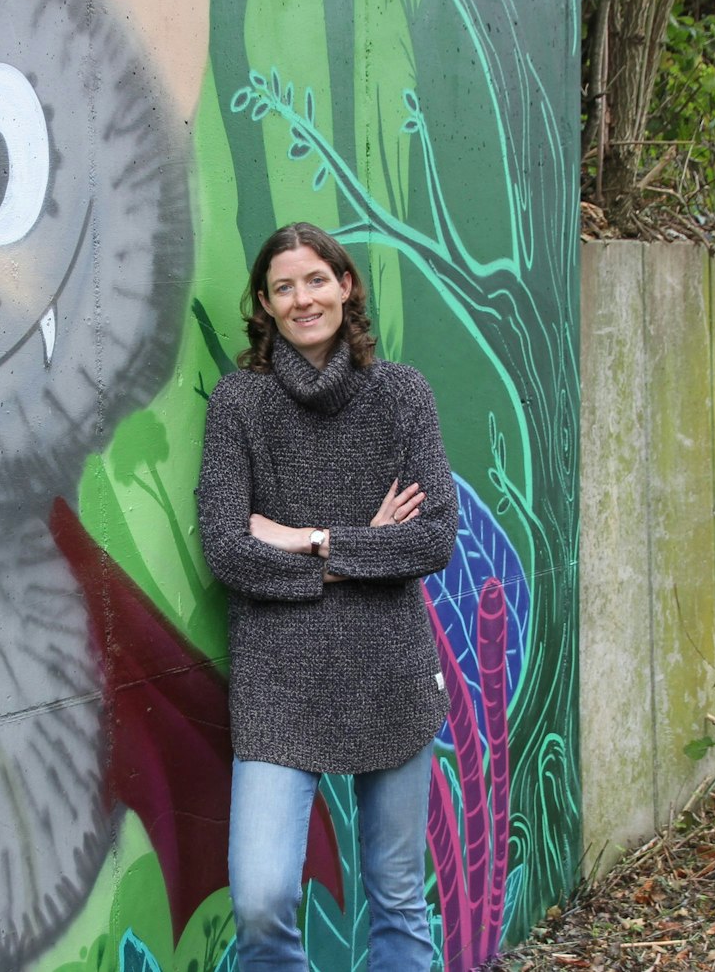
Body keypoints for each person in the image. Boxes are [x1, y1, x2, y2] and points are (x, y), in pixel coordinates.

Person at [196, 222, 459, 971]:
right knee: (262, 897)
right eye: (284, 286)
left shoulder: (402, 394)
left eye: (316, 279)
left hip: (391, 671)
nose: (302, 297)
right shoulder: (240, 404)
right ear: (265, 305)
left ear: (346, 286)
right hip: (279, 679)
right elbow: (228, 550)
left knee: (399, 895)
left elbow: (430, 538)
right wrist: (360, 547)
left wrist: (305, 539)